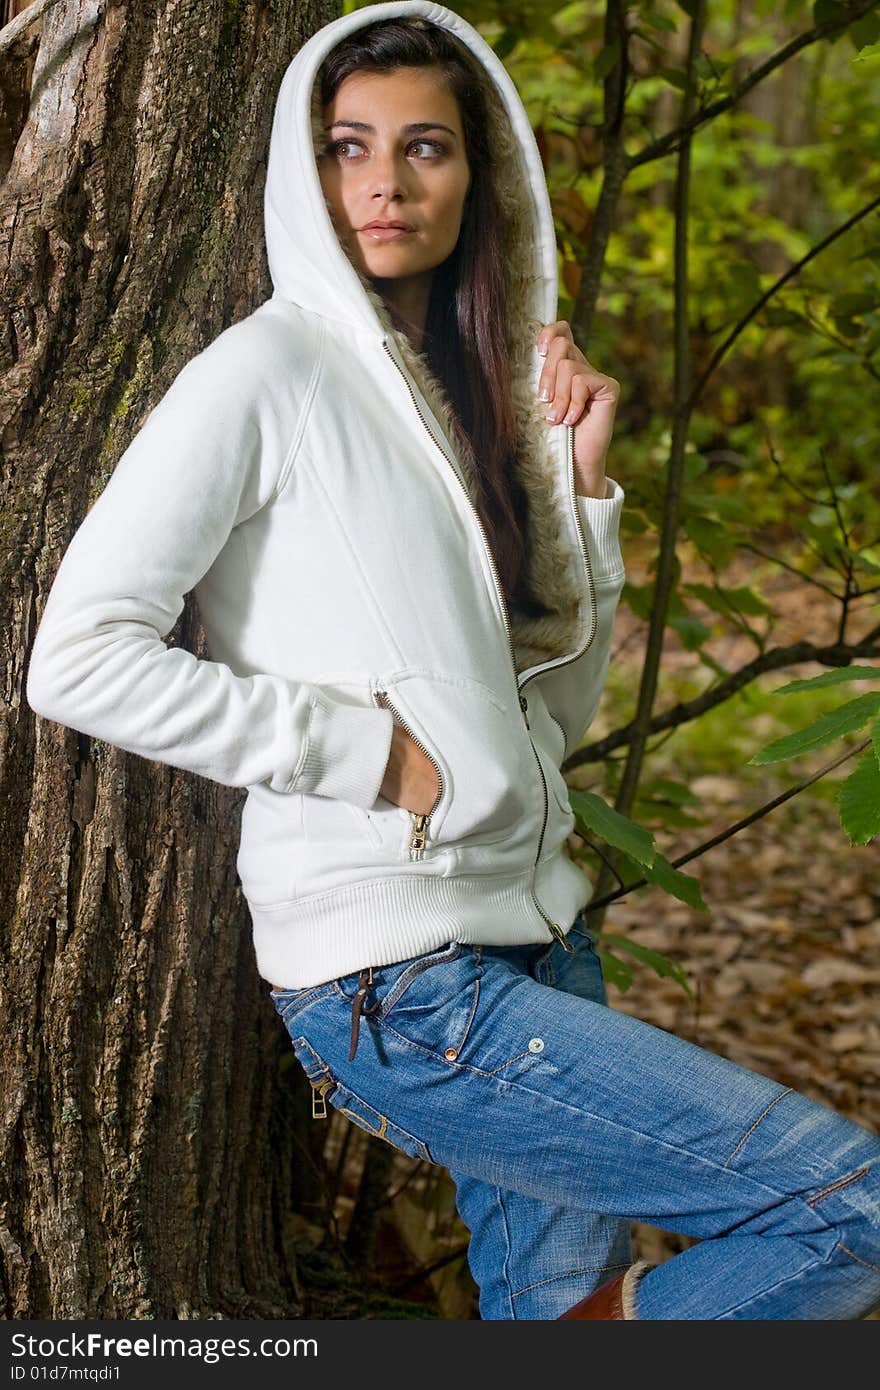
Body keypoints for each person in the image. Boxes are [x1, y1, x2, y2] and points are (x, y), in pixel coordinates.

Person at [25, 1, 879, 1320]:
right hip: (404, 984)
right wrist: (375, 755)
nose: (383, 181)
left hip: (538, 939)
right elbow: (77, 655)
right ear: (301, 173)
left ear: (478, 174)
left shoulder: (460, 393)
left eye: (423, 147)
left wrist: (585, 504)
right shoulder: (263, 375)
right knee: (849, 1204)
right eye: (346, 146)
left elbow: (542, 723)